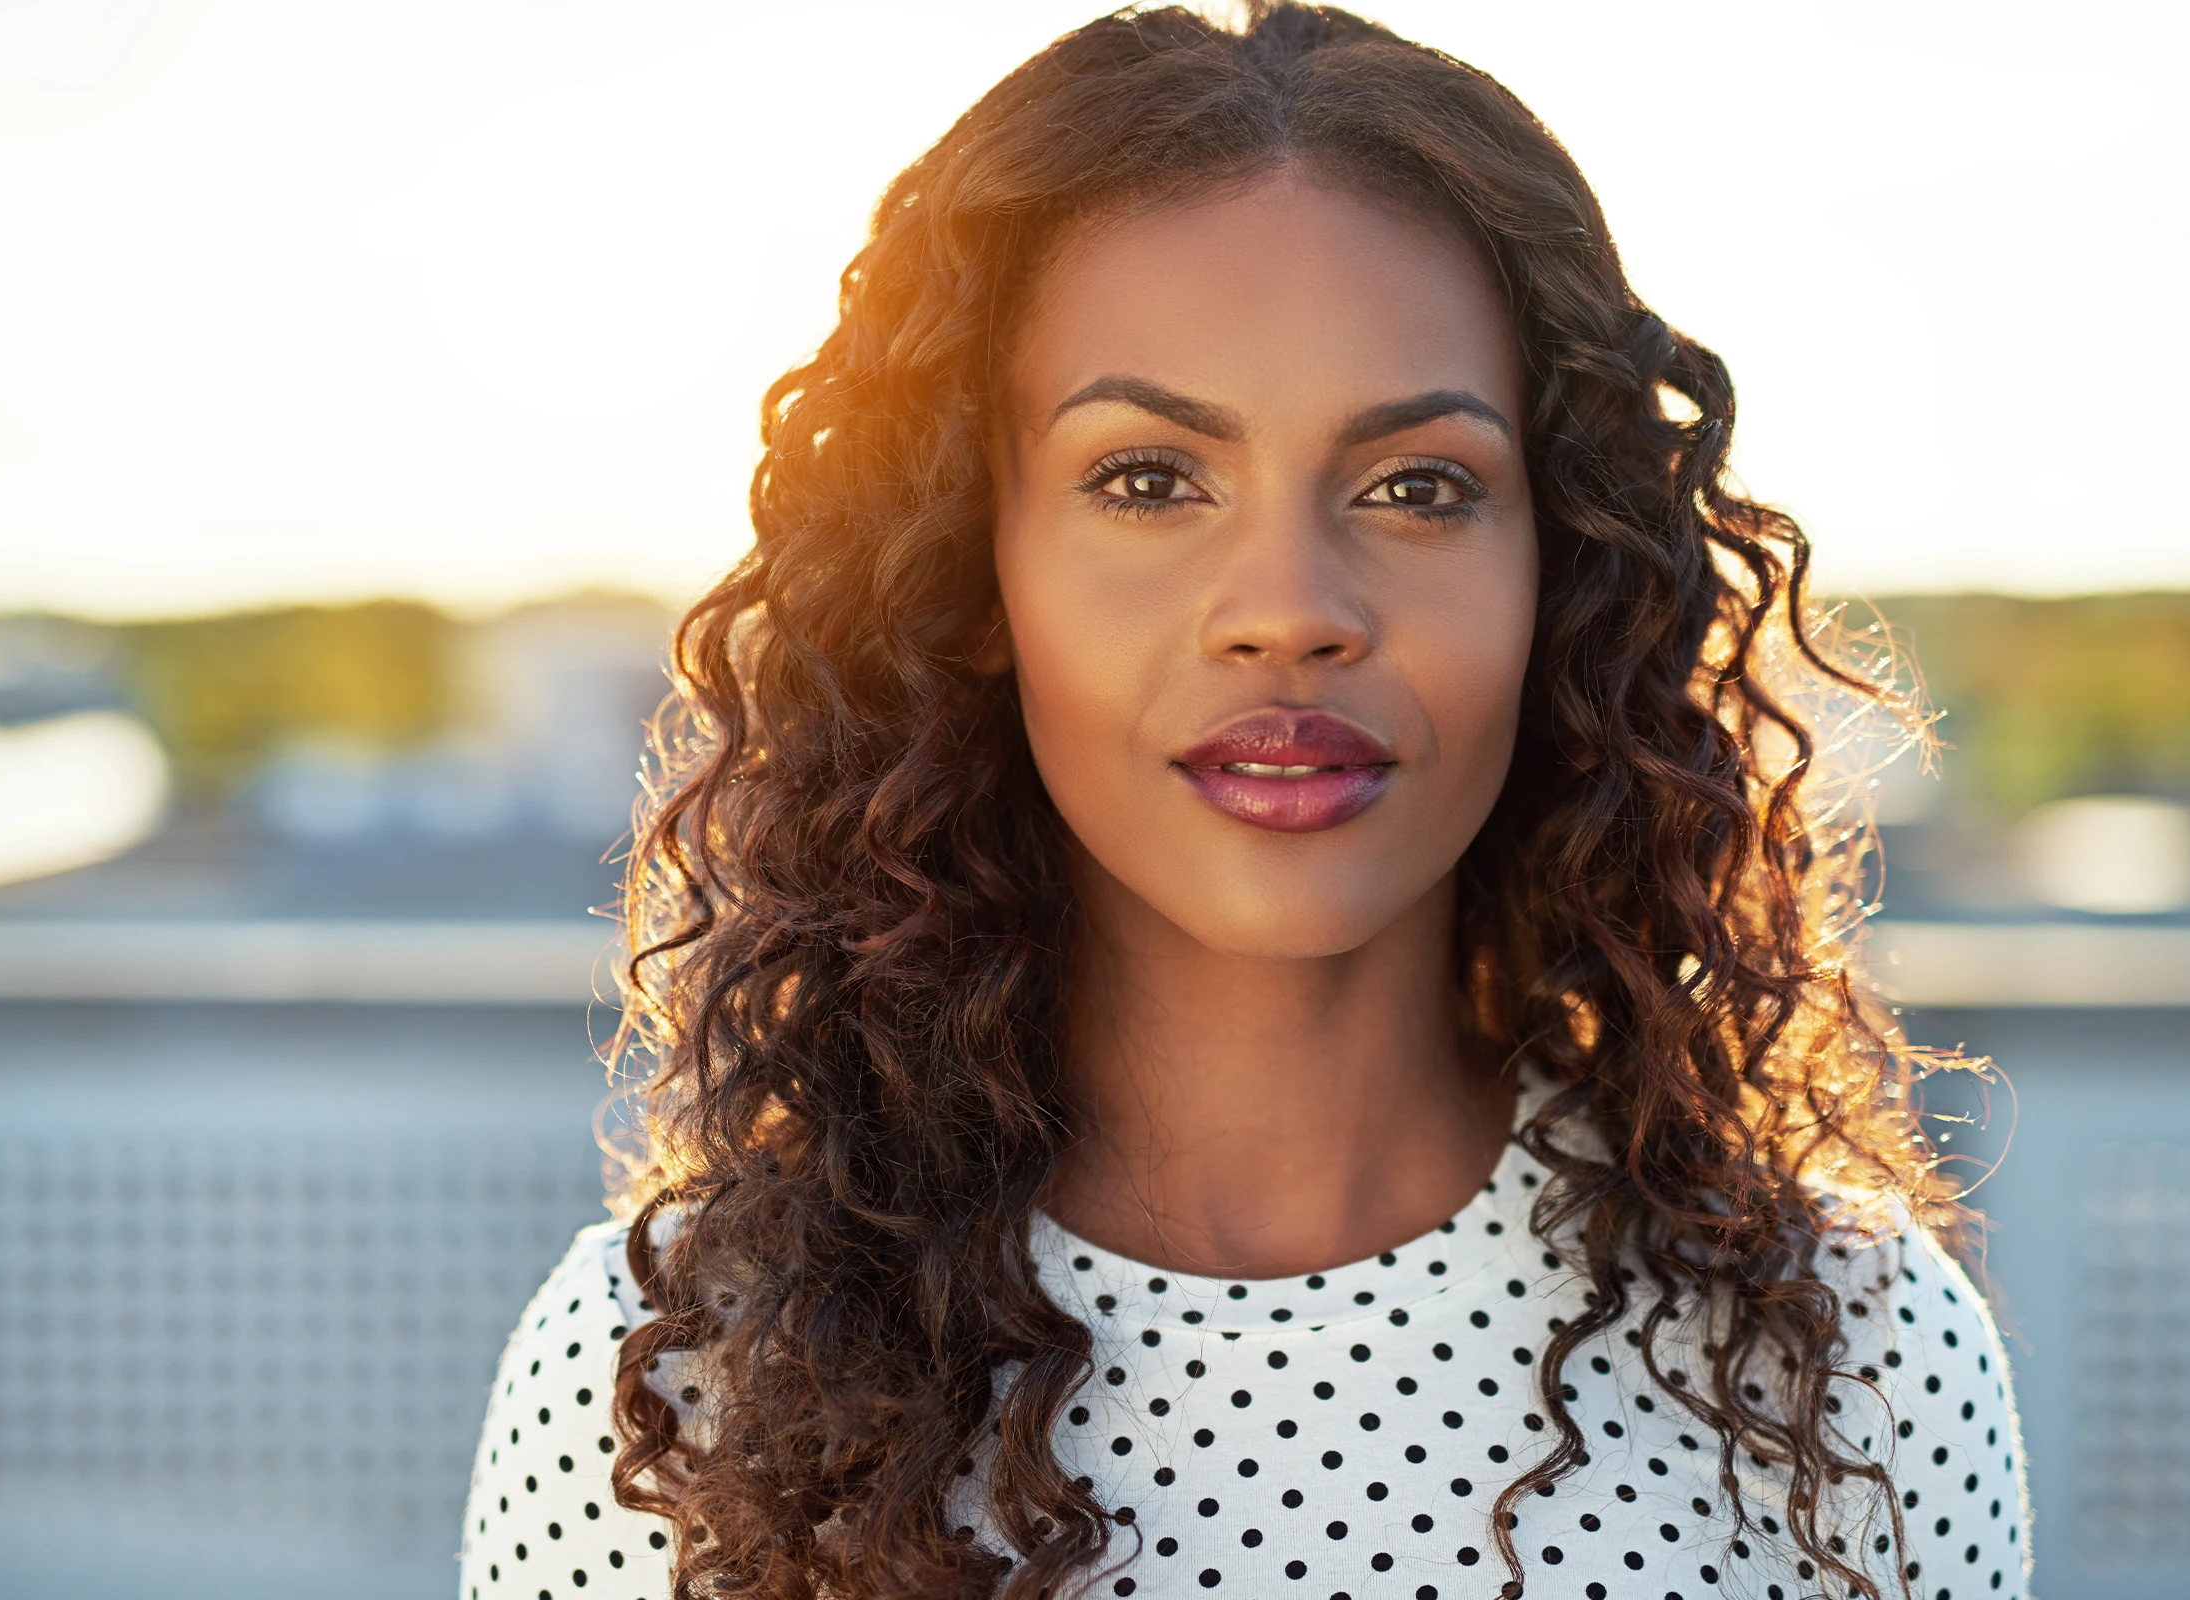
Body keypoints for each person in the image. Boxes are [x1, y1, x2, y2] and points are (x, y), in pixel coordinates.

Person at [459, 7, 2028, 1598]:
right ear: (969, 570)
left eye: (1419, 487)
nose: (1289, 607)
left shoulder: (1854, 1358)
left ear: (1561, 573)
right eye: (1147, 479)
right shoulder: (665, 1391)